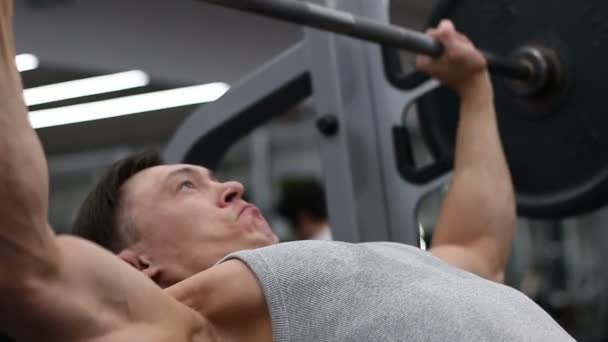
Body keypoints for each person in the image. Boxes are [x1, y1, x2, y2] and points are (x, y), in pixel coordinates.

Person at [0, 0, 572, 337]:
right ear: (139, 266)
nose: (231, 184)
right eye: (185, 188)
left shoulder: (369, 264)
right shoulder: (200, 319)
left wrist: (475, 91)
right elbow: (26, 266)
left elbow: (478, 248)